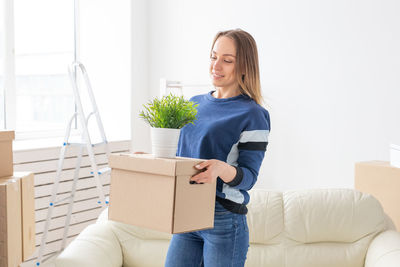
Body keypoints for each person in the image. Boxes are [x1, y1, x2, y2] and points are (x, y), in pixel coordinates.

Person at [164, 29, 270, 267]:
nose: (216, 65)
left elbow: (249, 178)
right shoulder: (193, 104)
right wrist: (152, 159)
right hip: (187, 211)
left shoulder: (253, 115)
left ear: (244, 66)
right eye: (214, 57)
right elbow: (180, 157)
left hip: (223, 219)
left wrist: (220, 169)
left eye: (227, 60)